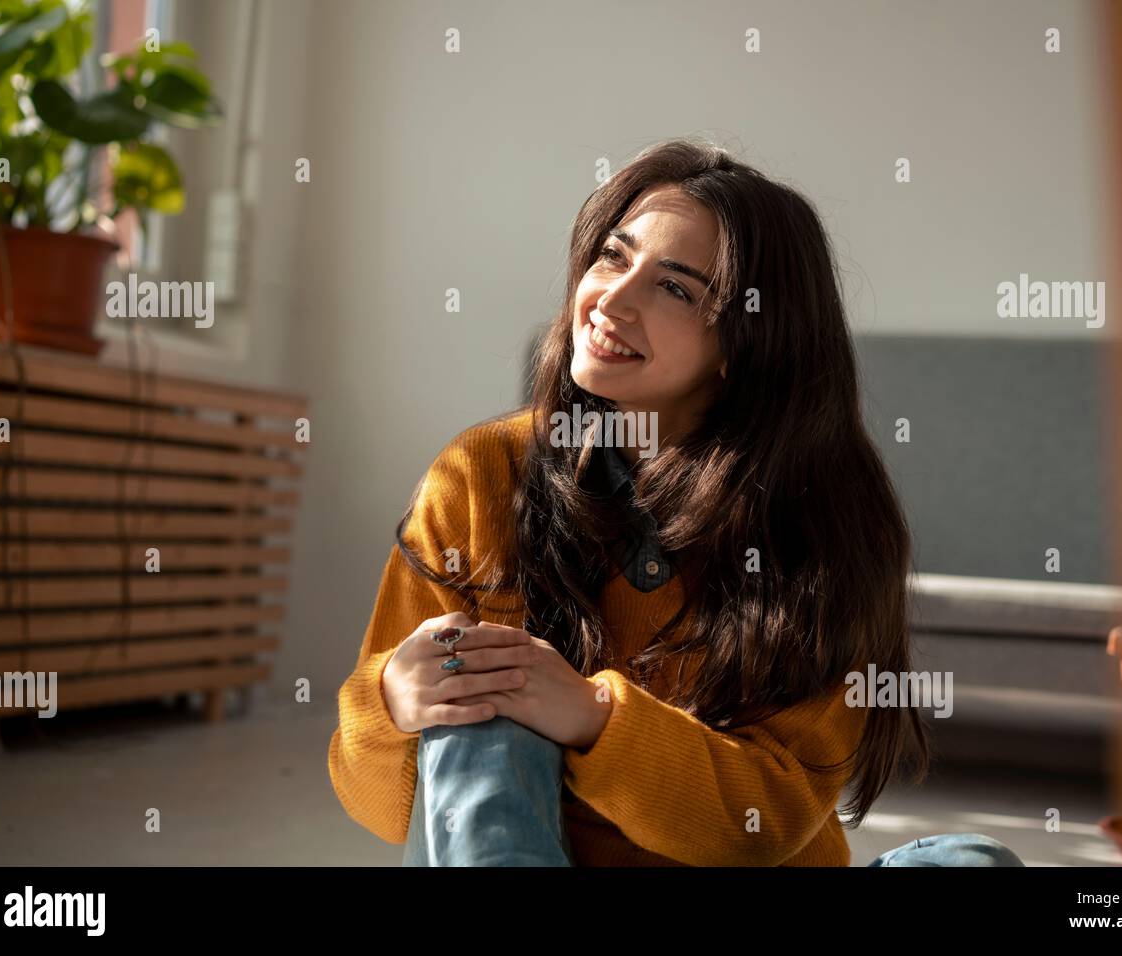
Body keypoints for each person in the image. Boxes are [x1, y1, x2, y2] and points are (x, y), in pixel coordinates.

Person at [328, 138, 1024, 867]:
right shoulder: (482, 473)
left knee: (971, 865)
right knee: (480, 714)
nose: (611, 301)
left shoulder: (826, 517)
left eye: (676, 288)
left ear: (743, 343)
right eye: (612, 256)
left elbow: (767, 819)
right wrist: (389, 705)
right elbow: (388, 809)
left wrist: (592, 716)